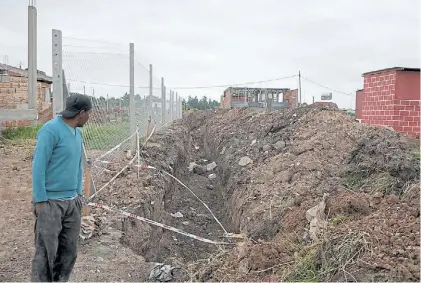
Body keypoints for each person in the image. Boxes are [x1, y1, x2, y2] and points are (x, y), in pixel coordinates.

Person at [31, 94, 92, 282]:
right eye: (89, 113)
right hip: (50, 203)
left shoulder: (77, 132)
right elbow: (38, 167)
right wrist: (40, 200)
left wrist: (79, 193)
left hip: (72, 203)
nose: (89, 117)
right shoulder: (50, 131)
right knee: (46, 254)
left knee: (69, 252)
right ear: (81, 113)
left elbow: (76, 166)